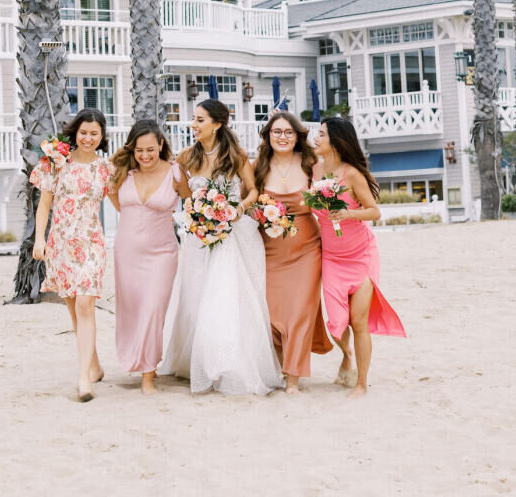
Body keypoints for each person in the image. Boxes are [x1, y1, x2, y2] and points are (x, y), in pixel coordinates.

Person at [159, 98, 282, 395]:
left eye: (200, 120)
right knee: (197, 297)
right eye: (194, 119)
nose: (194, 124)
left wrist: (238, 209)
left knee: (227, 297)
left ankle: (229, 363)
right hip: (200, 234)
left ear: (217, 124)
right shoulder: (186, 157)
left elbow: (252, 190)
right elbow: (186, 197)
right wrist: (199, 214)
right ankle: (197, 360)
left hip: (232, 233)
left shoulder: (236, 156)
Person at [312, 117, 406, 398]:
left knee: (358, 321)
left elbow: (374, 211)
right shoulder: (314, 170)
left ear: (336, 140)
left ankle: (361, 383)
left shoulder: (351, 173)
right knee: (336, 323)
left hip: (361, 255)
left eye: (321, 134)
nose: (316, 138)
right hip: (331, 257)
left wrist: (348, 213)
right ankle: (346, 354)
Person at [30, 109, 112, 402]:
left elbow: (123, 202)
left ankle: (83, 380)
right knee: (75, 309)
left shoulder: (106, 169)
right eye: (84, 132)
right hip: (60, 244)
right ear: (75, 132)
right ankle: (95, 366)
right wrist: (39, 240)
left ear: (102, 136)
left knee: (86, 305)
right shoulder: (57, 163)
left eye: (95, 133)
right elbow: (44, 206)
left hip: (91, 244)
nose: (88, 138)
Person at [252, 111, 333, 394]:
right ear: (268, 136)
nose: (282, 137)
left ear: (297, 136)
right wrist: (260, 213)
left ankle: (294, 380)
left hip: (307, 251)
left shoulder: (314, 165)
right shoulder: (257, 167)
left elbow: (326, 205)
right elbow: (247, 205)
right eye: (277, 132)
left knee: (299, 313)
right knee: (272, 315)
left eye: (288, 132)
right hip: (269, 252)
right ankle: (278, 367)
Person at [108, 120, 191, 394]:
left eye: (151, 150)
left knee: (153, 310)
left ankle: (148, 375)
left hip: (163, 253)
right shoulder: (123, 172)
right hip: (127, 252)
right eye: (139, 151)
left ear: (161, 146)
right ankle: (137, 360)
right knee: (133, 309)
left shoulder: (176, 173)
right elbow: (117, 202)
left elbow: (191, 204)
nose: (145, 156)